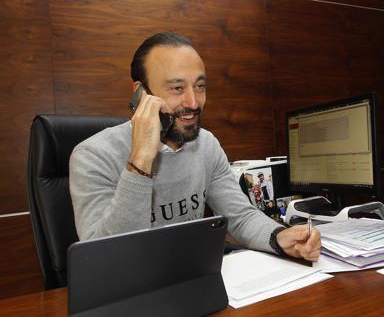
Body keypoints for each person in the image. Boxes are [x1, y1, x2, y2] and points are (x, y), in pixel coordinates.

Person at [69, 32, 320, 261]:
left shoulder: (206, 145)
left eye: (199, 87)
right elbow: (102, 257)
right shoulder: (93, 155)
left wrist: (278, 237)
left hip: (192, 280)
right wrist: (141, 160)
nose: (193, 102)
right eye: (177, 88)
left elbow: (240, 217)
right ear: (140, 93)